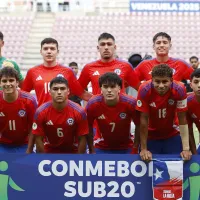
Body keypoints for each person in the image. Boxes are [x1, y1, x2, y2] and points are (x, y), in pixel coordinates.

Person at [136, 64, 191, 161]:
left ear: (171, 80)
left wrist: (186, 148)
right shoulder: (144, 89)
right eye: (157, 81)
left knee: (176, 170)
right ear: (152, 80)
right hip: (150, 135)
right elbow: (143, 120)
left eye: (165, 81)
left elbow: (182, 119)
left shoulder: (180, 89)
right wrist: (144, 149)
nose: (161, 85)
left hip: (172, 134)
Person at [22, 38, 92, 106]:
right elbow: (22, 95)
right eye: (45, 49)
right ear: (41, 52)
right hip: (42, 115)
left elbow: (82, 93)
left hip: (64, 116)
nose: (49, 51)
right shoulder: (32, 72)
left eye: (52, 49)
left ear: (57, 52)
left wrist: (100, 100)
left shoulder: (68, 71)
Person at [86, 72, 140, 154]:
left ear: (119, 88)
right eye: (105, 87)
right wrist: (91, 150)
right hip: (101, 146)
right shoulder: (93, 104)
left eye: (112, 87)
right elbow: (87, 127)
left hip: (126, 146)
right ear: (101, 88)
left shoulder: (130, 103)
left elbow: (140, 125)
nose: (109, 90)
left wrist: (135, 148)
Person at [31, 77, 88, 153]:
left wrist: (79, 160)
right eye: (55, 89)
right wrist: (43, 159)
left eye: (62, 89)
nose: (59, 92)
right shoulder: (40, 112)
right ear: (50, 92)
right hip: (49, 150)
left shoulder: (79, 111)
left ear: (68, 91)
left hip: (72, 151)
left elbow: (82, 138)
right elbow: (38, 138)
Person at [0, 67, 37, 153]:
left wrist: (29, 149)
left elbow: (33, 127)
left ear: (17, 83)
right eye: (4, 81)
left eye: (11, 80)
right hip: (2, 144)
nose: (8, 84)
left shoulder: (29, 100)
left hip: (24, 144)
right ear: (0, 83)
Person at [187, 69, 200, 154]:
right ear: (191, 85)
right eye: (196, 82)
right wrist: (195, 155)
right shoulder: (188, 103)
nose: (199, 85)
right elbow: (189, 131)